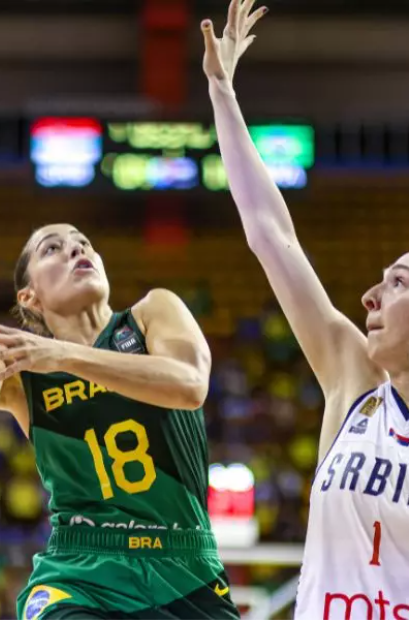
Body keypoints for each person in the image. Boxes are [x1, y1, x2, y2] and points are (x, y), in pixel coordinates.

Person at [0, 223, 241, 619]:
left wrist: (62, 356)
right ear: (29, 296)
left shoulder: (152, 313)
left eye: (83, 242)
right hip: (80, 570)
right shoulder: (22, 371)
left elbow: (189, 384)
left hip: (184, 566)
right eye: (53, 248)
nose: (75, 249)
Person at [202, 1, 409, 617]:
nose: (371, 296)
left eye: (398, 283)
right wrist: (222, 93)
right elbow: (272, 236)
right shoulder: (355, 381)